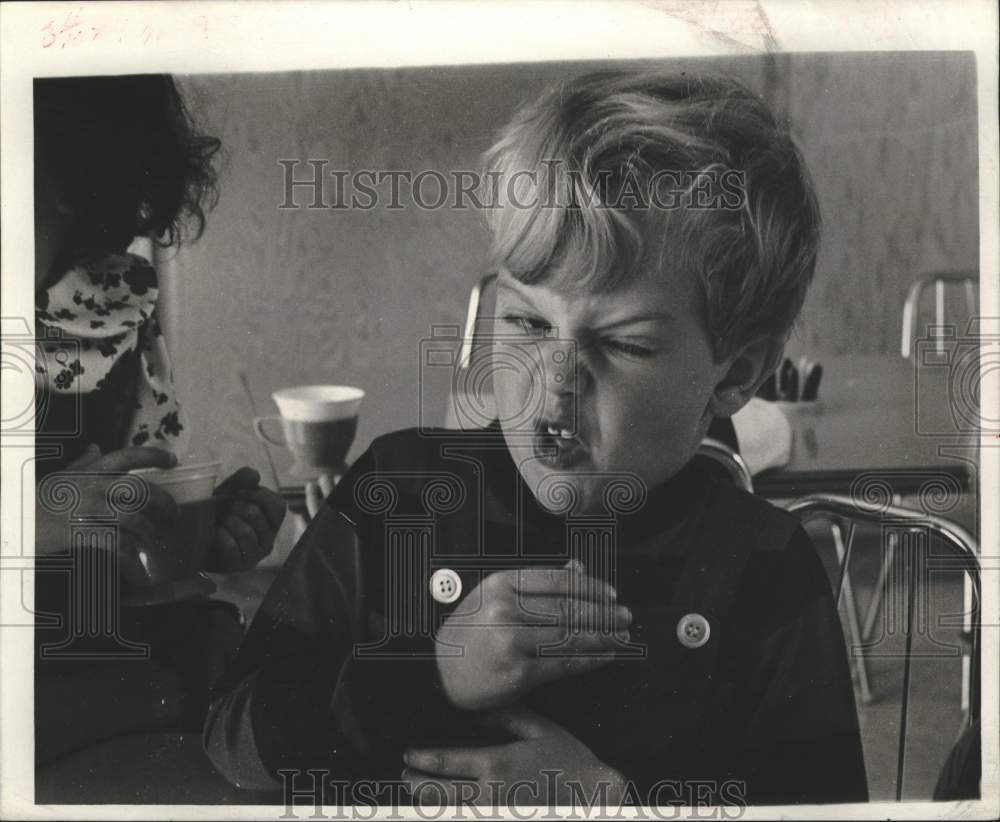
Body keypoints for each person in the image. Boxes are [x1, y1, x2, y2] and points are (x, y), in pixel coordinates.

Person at [204, 71, 868, 806]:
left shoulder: (765, 568)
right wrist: (429, 672)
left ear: (735, 376)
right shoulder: (399, 489)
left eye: (624, 345)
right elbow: (232, 736)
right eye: (527, 322)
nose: (555, 381)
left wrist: (615, 804)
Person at [33, 74, 285, 766]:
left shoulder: (103, 307)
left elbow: (130, 536)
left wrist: (195, 531)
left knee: (227, 646)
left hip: (90, 638)